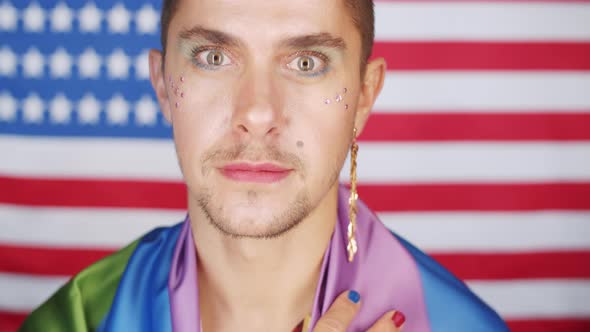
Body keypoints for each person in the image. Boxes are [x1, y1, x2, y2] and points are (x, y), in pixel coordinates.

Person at [21, 0, 509, 331]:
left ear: (363, 95)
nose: (256, 114)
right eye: (213, 56)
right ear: (164, 84)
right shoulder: (82, 318)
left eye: (306, 63)